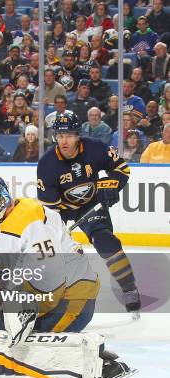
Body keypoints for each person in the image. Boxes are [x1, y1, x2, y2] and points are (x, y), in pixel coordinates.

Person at [0, 172, 135, 378]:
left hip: (73, 296)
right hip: (39, 290)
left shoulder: (30, 221)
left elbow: (52, 286)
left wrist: (19, 313)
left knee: (15, 337)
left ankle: (97, 361)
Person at [37, 112, 141, 315]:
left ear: (78, 135)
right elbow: (50, 209)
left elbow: (121, 169)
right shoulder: (47, 164)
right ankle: (50, 293)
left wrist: (109, 186)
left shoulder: (95, 148)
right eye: (59, 135)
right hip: (61, 210)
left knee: (105, 241)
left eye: (69, 135)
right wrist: (56, 232)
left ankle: (130, 289)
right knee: (50, 253)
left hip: (90, 204)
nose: (64, 140)